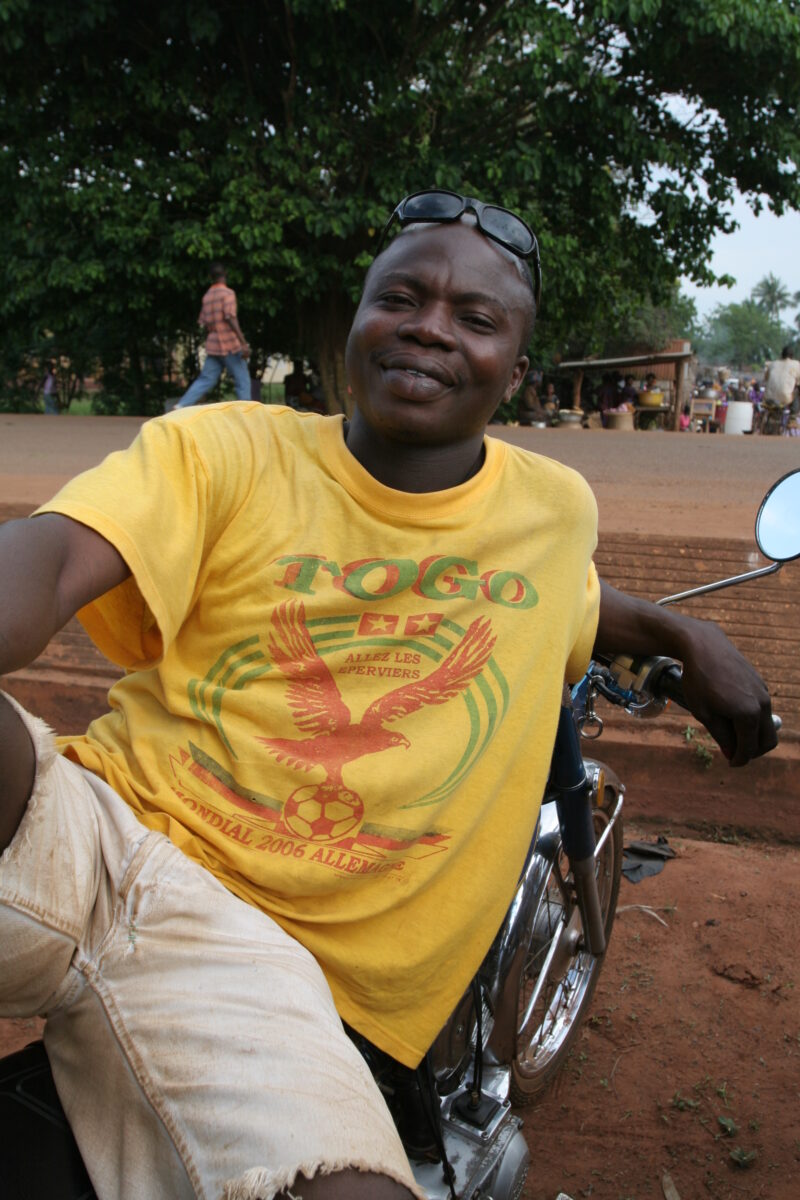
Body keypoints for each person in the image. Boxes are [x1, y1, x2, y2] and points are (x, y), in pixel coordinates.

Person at [0, 192, 777, 1200]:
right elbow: (54, 557)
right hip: (103, 839)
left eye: (475, 318)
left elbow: (568, 598)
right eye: (400, 298)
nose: (428, 326)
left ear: (516, 370)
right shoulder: (225, 449)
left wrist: (681, 632)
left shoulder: (551, 510)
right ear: (356, 327)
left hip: (275, 975)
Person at [173, 262, 252, 409]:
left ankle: (182, 405)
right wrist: (243, 342)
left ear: (211, 277)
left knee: (206, 379)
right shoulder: (228, 294)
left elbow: (203, 322)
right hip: (229, 345)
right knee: (242, 380)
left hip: (213, 345)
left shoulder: (207, 296)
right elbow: (230, 317)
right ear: (225, 275)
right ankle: (246, 412)